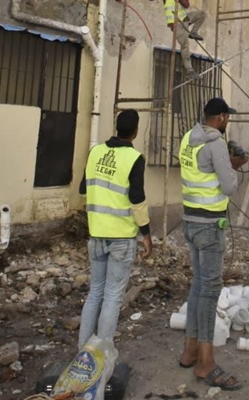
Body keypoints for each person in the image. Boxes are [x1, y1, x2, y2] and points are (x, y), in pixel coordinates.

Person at [178, 97, 248, 391]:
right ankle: (206, 362)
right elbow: (228, 186)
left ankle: (190, 350)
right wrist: (234, 166)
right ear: (220, 118)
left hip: (190, 221)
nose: (227, 121)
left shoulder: (188, 138)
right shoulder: (216, 143)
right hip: (209, 225)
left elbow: (200, 171)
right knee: (209, 290)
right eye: (226, 117)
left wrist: (222, 164)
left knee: (198, 284)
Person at [78, 109, 152, 348]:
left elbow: (83, 188)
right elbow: (137, 199)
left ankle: (83, 351)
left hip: (96, 234)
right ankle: (100, 355)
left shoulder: (95, 152)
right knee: (112, 296)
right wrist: (146, 234)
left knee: (95, 292)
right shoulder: (134, 158)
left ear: (117, 128)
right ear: (136, 131)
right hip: (121, 238)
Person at [148, 0, 206, 81]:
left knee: (202, 14)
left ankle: (193, 32)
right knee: (185, 46)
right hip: (176, 24)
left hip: (184, 19)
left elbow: (186, 5)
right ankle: (189, 70)